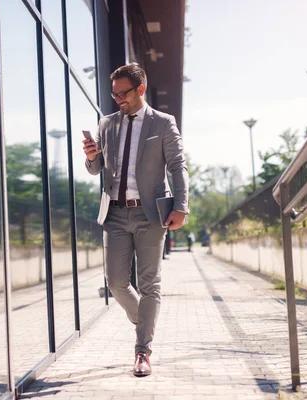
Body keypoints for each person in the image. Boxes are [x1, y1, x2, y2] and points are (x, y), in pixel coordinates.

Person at [83, 64, 189, 377]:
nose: (118, 99)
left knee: (149, 283)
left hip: (150, 213)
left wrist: (181, 206)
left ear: (140, 89)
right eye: (114, 94)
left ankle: (143, 350)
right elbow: (96, 169)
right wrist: (91, 157)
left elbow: (178, 167)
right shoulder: (107, 124)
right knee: (115, 282)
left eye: (123, 93)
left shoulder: (163, 123)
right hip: (114, 212)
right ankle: (143, 320)